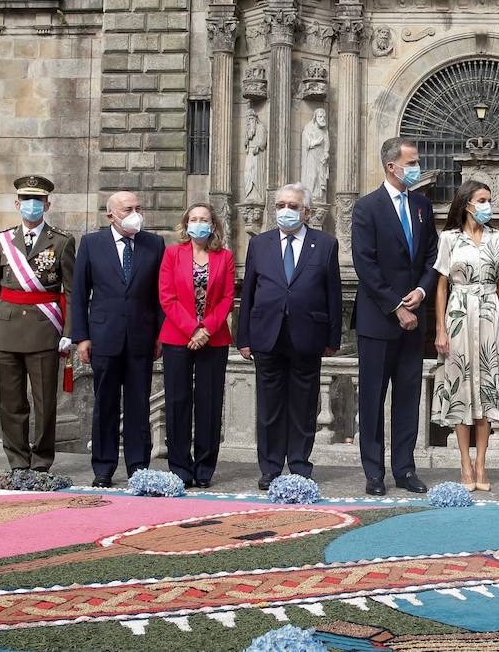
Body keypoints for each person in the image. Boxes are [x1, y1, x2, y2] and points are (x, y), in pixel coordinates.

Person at [238, 184, 342, 490]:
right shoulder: (260, 244)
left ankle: (299, 464)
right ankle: (270, 467)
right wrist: (243, 337)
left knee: (304, 405)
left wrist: (333, 338)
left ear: (306, 211)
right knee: (269, 407)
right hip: (266, 334)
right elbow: (248, 294)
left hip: (307, 335)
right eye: (281, 205)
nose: (286, 211)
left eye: (293, 206)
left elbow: (333, 295)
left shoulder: (325, 244)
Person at [350, 138, 438, 496]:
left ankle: (405, 469)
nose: (417, 167)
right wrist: (396, 306)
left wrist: (421, 291)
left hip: (415, 319)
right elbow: (365, 264)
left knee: (408, 398)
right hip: (378, 319)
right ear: (392, 166)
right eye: (412, 162)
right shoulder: (366, 207)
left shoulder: (421, 205)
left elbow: (433, 253)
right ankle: (374, 472)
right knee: (372, 398)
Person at [0, 175, 76, 473]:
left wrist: (69, 332)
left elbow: (70, 291)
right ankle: (17, 460)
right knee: (10, 400)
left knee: (45, 402)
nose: (32, 206)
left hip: (44, 329)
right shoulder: (3, 239)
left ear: (48, 204)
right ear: (17, 204)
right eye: (26, 201)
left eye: (38, 201)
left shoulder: (62, 242)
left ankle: (42, 460)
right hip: (6, 327)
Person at [68, 191, 166, 488]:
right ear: (111, 215)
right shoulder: (91, 244)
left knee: (139, 404)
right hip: (104, 336)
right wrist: (81, 337)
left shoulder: (154, 243)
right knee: (106, 404)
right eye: (128, 209)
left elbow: (160, 295)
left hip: (141, 337)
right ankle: (103, 467)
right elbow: (79, 293)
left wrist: (160, 334)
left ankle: (139, 466)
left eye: (138, 207)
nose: (136, 213)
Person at [432, 181, 499, 492]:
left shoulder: (498, 239)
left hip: (490, 313)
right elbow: (441, 286)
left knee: (488, 388)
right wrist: (440, 328)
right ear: (466, 204)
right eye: (482, 200)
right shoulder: (449, 239)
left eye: (489, 200)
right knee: (460, 388)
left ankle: (482, 464)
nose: (487, 205)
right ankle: (464, 466)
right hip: (458, 314)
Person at [157, 202, 235, 488]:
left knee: (209, 403)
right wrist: (192, 328)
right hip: (178, 337)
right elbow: (167, 297)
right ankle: (180, 467)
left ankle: (204, 468)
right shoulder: (171, 254)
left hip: (214, 340)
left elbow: (227, 298)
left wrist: (206, 330)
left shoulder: (224, 257)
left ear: (213, 225)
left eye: (204, 219)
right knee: (177, 402)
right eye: (193, 219)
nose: (198, 224)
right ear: (185, 224)